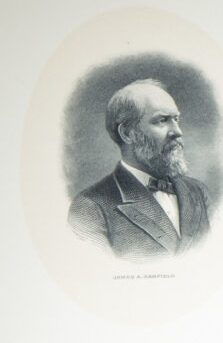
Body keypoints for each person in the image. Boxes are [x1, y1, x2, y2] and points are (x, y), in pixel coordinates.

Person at [68, 78, 212, 257]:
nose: (177, 131)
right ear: (127, 133)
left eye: (176, 119)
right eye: (162, 120)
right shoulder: (90, 207)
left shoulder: (198, 192)